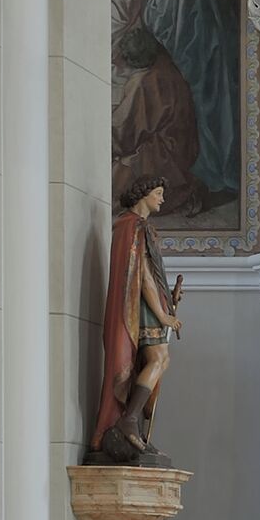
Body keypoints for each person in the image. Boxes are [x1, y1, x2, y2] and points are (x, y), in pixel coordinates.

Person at [91, 184, 180, 463]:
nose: (162, 199)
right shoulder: (133, 226)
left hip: (149, 304)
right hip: (140, 307)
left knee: (159, 361)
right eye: (158, 193)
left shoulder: (135, 226)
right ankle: (128, 419)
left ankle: (134, 424)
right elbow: (141, 275)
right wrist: (162, 313)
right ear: (142, 195)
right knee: (159, 358)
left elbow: (150, 273)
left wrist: (171, 298)